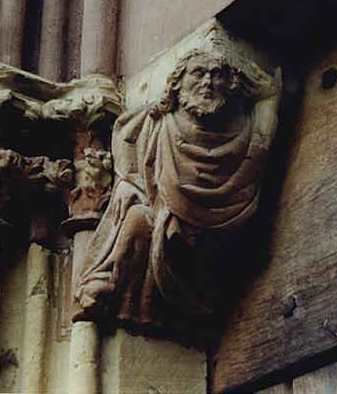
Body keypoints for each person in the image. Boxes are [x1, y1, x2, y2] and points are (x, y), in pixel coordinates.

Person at [74, 49, 280, 328]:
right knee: (136, 218)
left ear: (230, 85)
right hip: (165, 221)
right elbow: (124, 133)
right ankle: (106, 280)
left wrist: (270, 98)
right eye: (198, 74)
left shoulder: (243, 128)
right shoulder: (159, 121)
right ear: (178, 82)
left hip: (214, 236)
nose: (207, 83)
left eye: (216, 75)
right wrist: (126, 180)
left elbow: (263, 142)